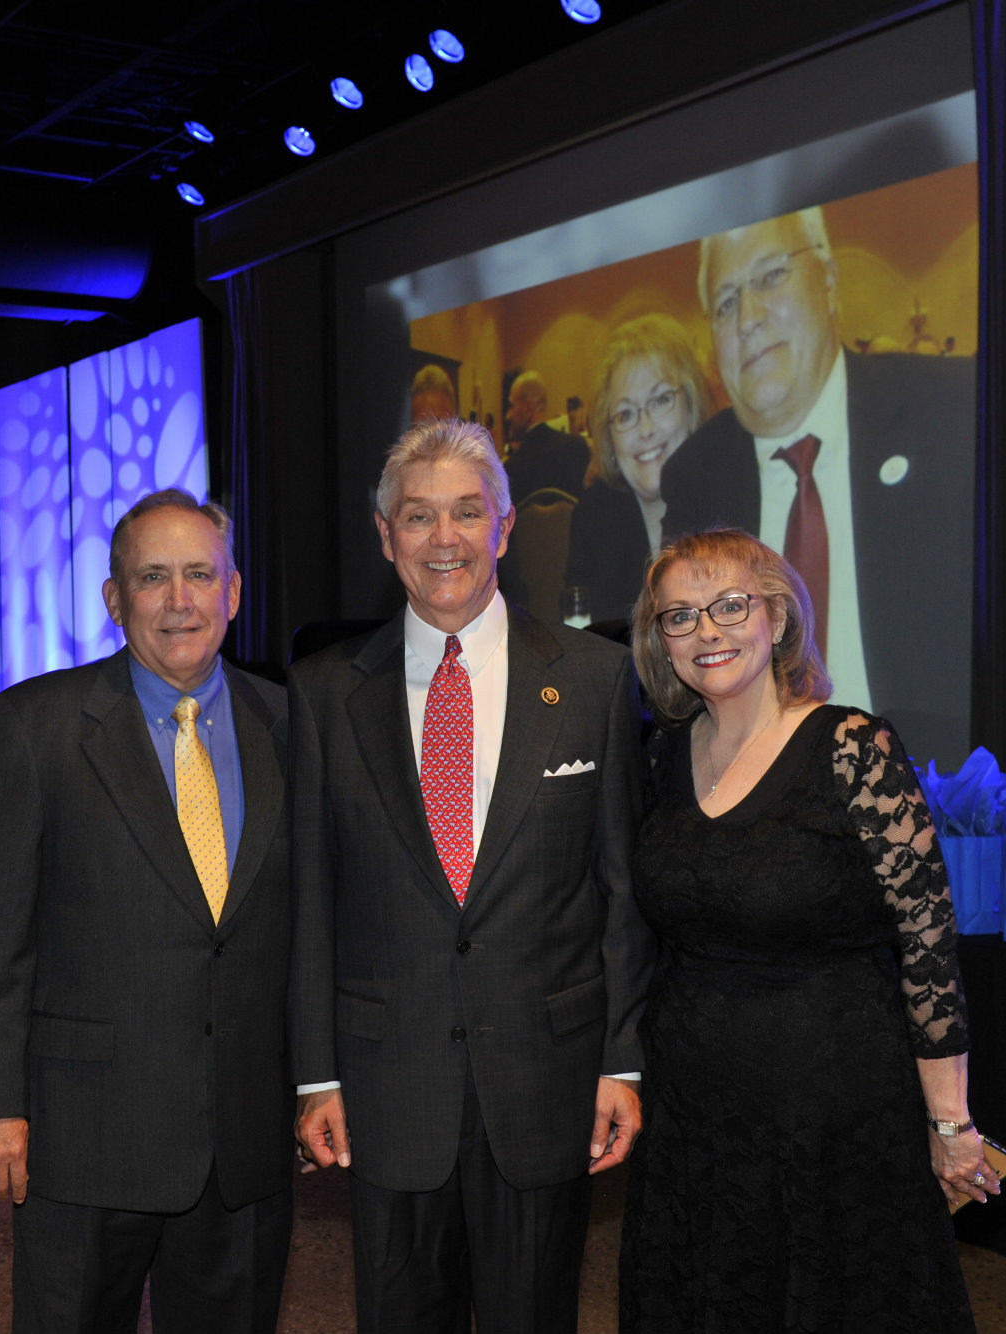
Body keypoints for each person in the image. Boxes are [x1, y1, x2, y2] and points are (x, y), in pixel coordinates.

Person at [290, 419, 653, 1333]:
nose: (442, 538)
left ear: (502, 526)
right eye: (417, 516)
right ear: (385, 537)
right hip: (385, 1086)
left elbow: (621, 889)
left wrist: (622, 1056)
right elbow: (311, 903)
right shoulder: (325, 692)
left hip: (547, 1079)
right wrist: (315, 1078)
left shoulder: (597, 678)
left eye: (465, 512)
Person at [619, 527, 992, 1333]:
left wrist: (950, 1123)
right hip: (694, 1117)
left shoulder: (854, 748)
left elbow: (928, 945)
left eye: (728, 606)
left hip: (832, 1118)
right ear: (661, 643)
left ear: (778, 619)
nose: (706, 631)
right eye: (679, 617)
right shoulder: (661, 756)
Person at [0, 490, 294, 1334]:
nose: (179, 600)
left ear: (233, 592)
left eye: (198, 575)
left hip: (242, 1140)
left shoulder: (288, 723)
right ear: (114, 599)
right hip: (83, 1137)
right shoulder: (36, 726)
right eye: (152, 577)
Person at [658, 206, 974, 761]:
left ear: (828, 282)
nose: (747, 317)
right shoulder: (696, 475)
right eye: (726, 302)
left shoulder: (951, 412)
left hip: (945, 793)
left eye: (771, 276)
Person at [562, 315, 710, 624]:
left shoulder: (732, 494)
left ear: (691, 405)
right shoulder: (593, 517)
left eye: (660, 400)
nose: (646, 429)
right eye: (626, 414)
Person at [503, 370, 591, 504]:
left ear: (528, 408)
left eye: (511, 407)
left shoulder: (511, 471)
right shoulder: (580, 449)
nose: (507, 416)